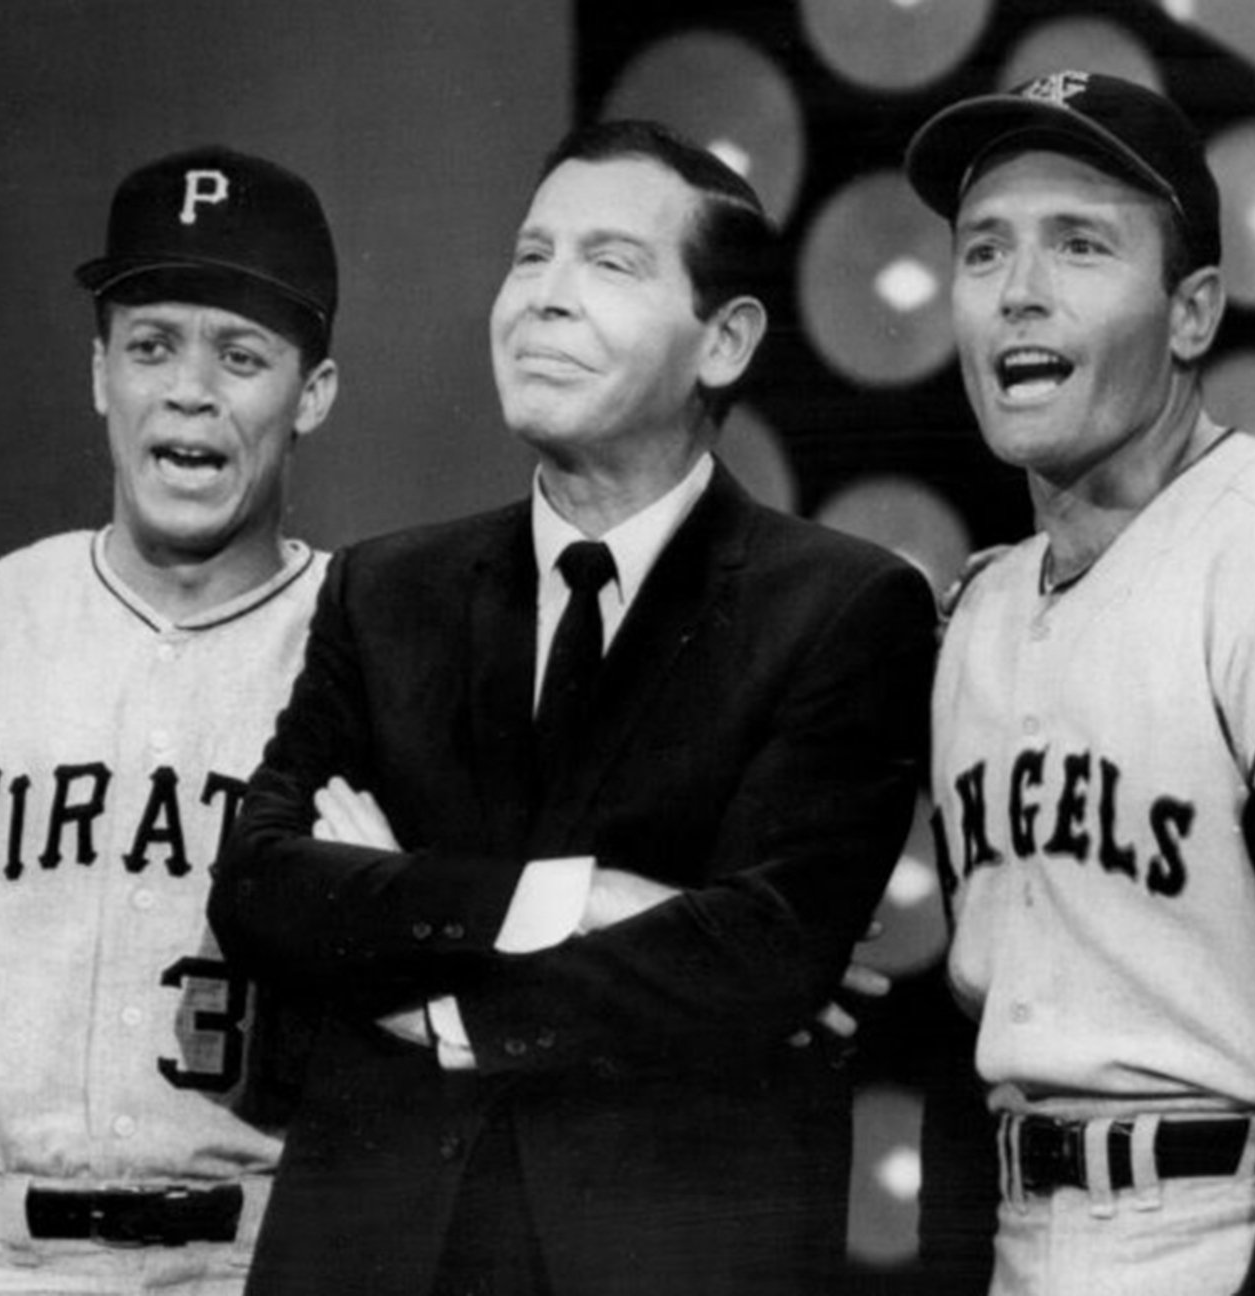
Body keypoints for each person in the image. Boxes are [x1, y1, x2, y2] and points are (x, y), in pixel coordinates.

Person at [204, 119, 937, 1296]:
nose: (541, 298)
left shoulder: (845, 609)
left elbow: (756, 959)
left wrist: (431, 1012)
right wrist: (575, 898)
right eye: (530, 255)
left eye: (609, 264)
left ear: (726, 339)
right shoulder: (386, 591)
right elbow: (263, 887)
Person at [905, 70, 1255, 1295]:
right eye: (984, 251)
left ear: (1192, 312)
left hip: (1240, 1219)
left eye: (1079, 246)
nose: (1019, 293)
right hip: (1026, 1230)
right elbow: (969, 1021)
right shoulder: (980, 609)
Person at [0, 145, 342, 1294]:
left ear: (312, 393)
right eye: (151, 344)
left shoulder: (371, 651)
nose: (189, 389)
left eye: (242, 353)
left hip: (259, 1258)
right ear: (99, 372)